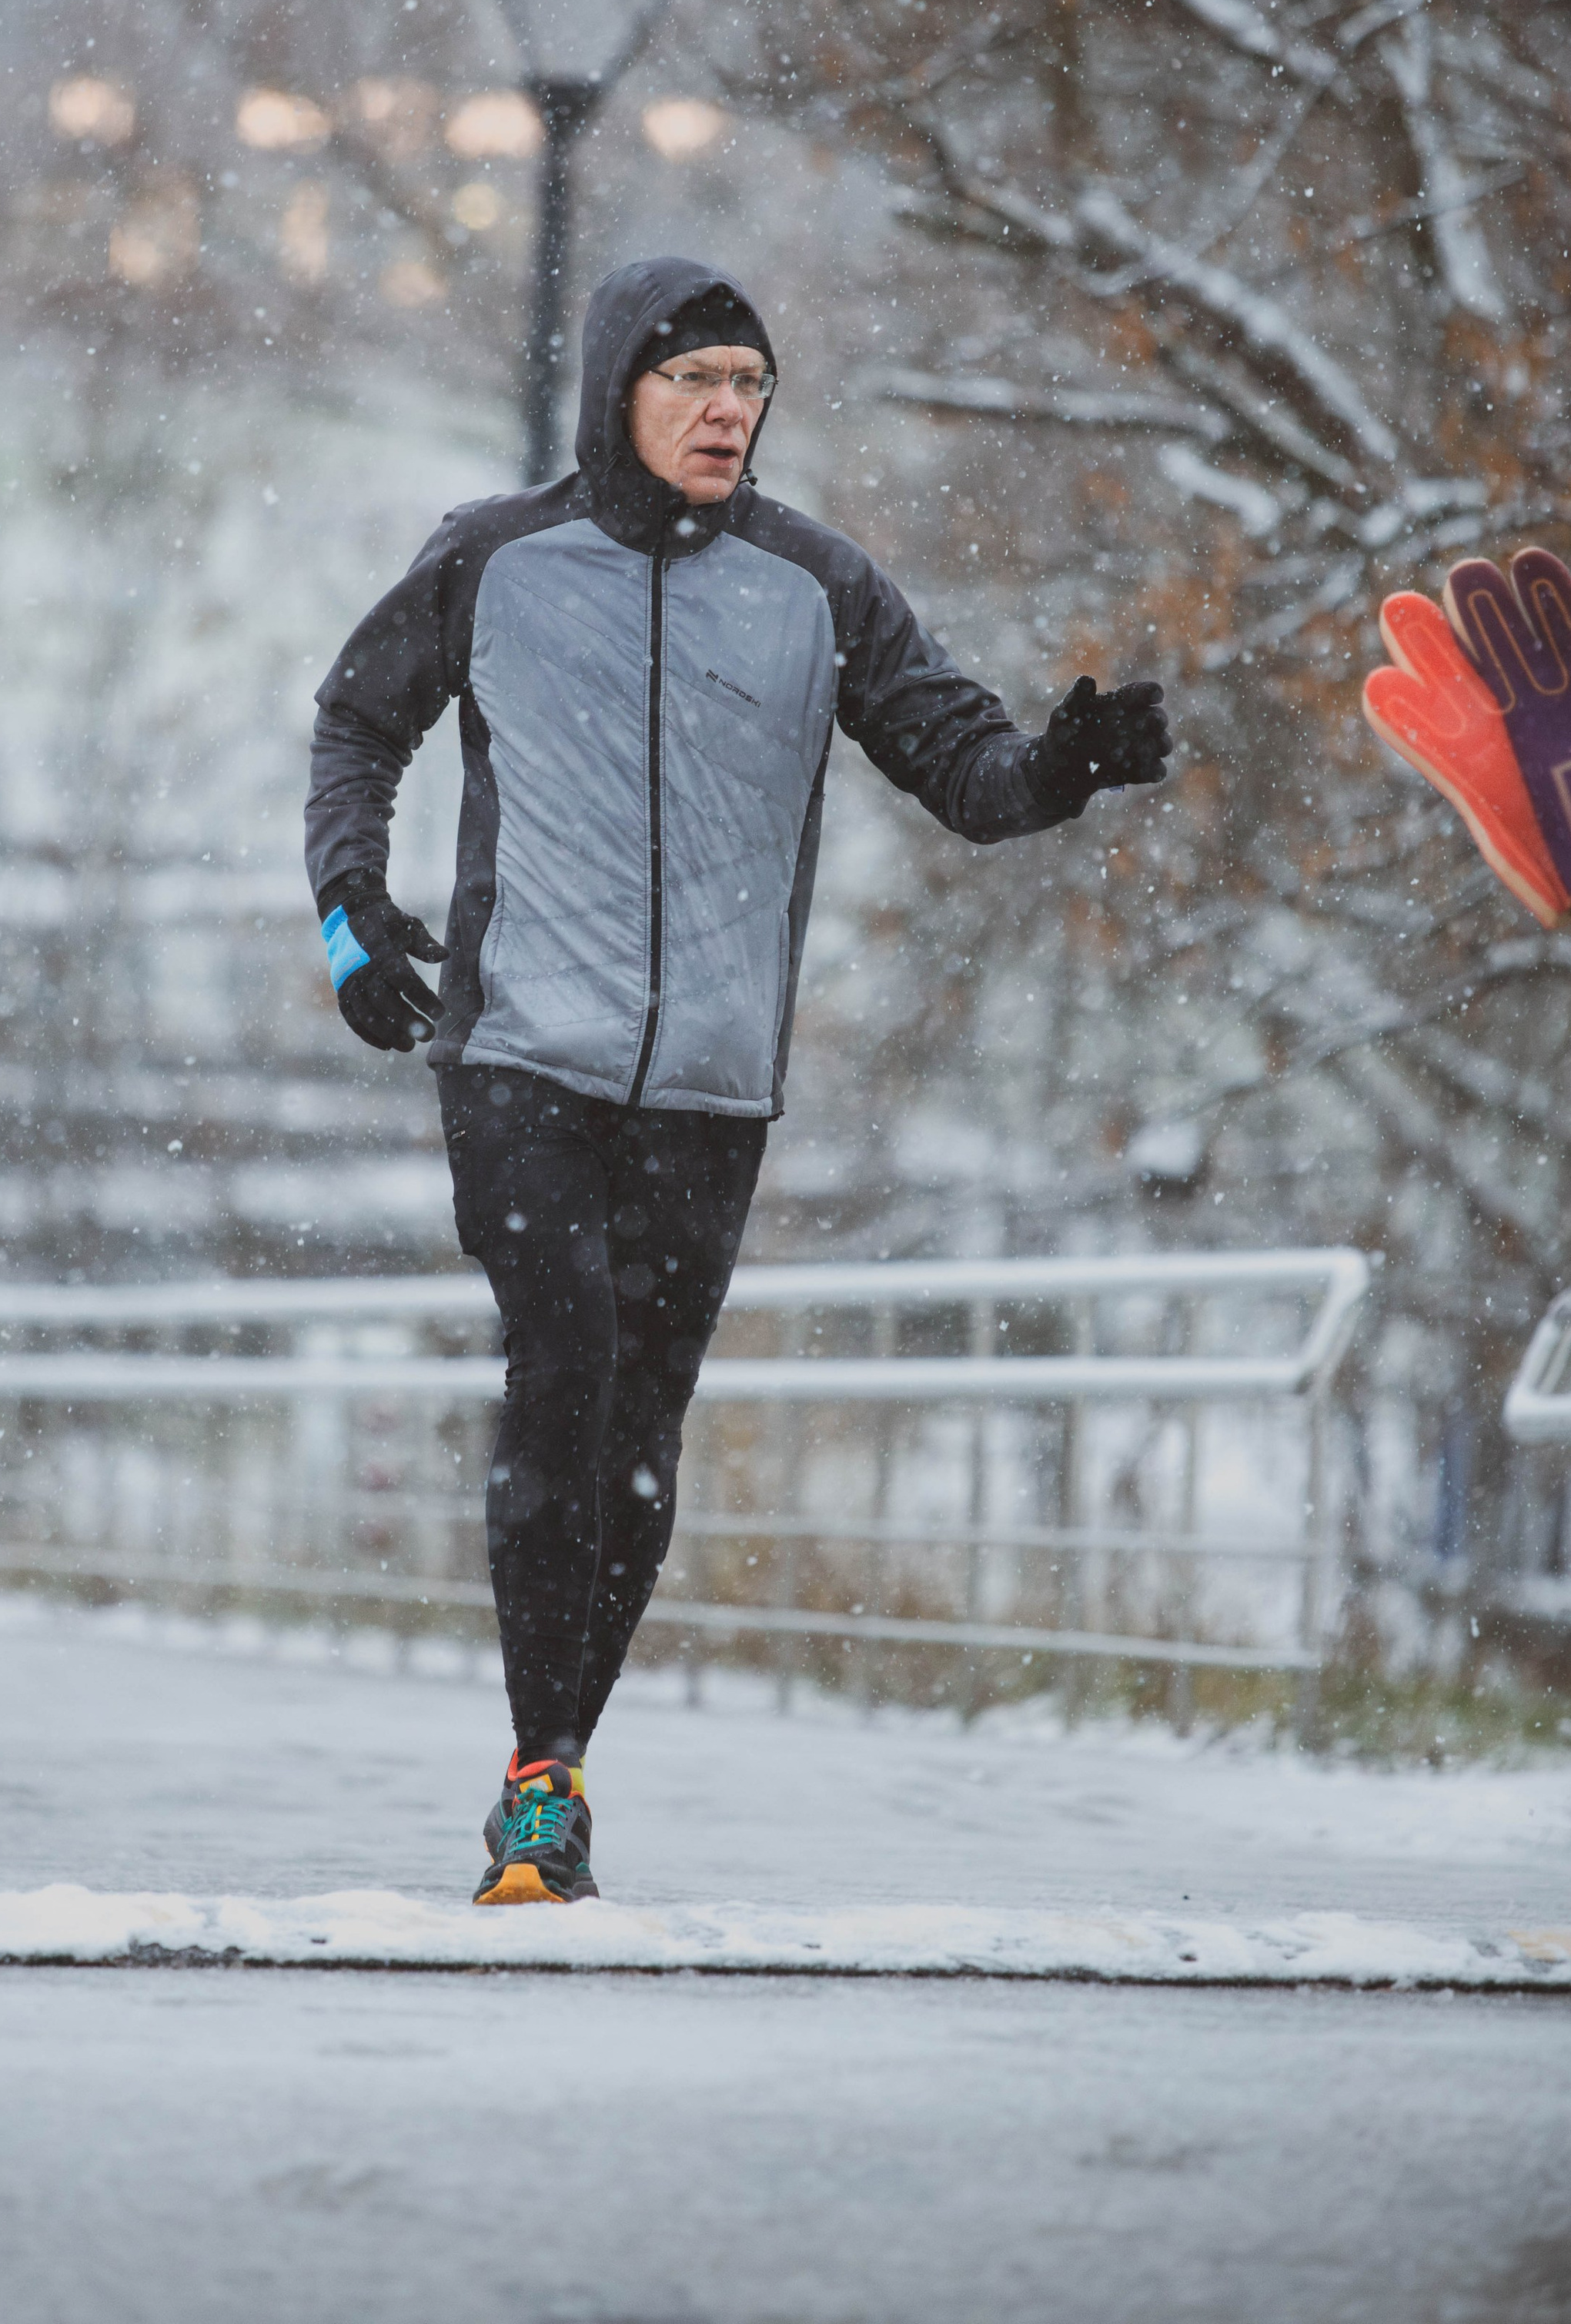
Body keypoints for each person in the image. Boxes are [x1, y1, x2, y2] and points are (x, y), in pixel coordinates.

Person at [304, 257, 1170, 1904]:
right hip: (520, 1056)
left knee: (639, 1427)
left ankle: (546, 1763)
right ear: (617, 394)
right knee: (562, 1355)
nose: (724, 410)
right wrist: (352, 914)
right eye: (692, 377)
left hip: (708, 1082)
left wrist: (1061, 768)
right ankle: (543, 1778)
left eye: (748, 386)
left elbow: (967, 777)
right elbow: (356, 728)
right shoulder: (494, 557)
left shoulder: (814, 586)